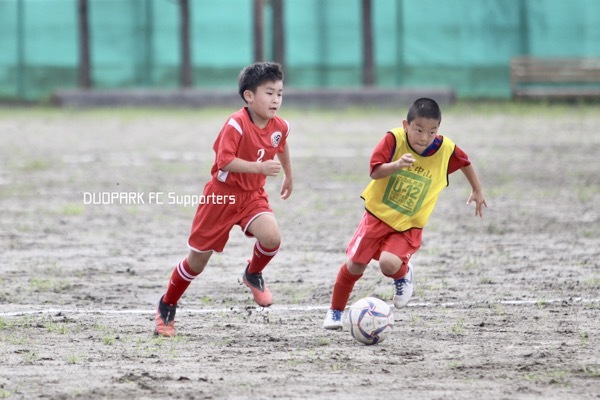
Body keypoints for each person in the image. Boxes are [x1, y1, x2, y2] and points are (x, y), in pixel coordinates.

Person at [323, 98, 487, 329]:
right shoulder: (394, 139)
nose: (424, 137)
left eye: (432, 132)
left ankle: (403, 273)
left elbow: (465, 162)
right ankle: (335, 312)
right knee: (355, 265)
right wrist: (397, 165)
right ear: (406, 125)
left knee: (388, 264)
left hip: (409, 224)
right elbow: (375, 171)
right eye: (418, 130)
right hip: (376, 216)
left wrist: (477, 189)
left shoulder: (445, 148)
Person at [155, 62, 293, 337]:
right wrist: (260, 168)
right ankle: (166, 305)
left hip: (252, 196)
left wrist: (289, 175)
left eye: (279, 93)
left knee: (272, 238)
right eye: (269, 93)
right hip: (220, 197)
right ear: (249, 96)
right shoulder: (236, 124)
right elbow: (225, 161)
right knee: (197, 262)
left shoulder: (280, 126)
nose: (276, 99)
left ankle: (252, 274)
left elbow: (281, 143)